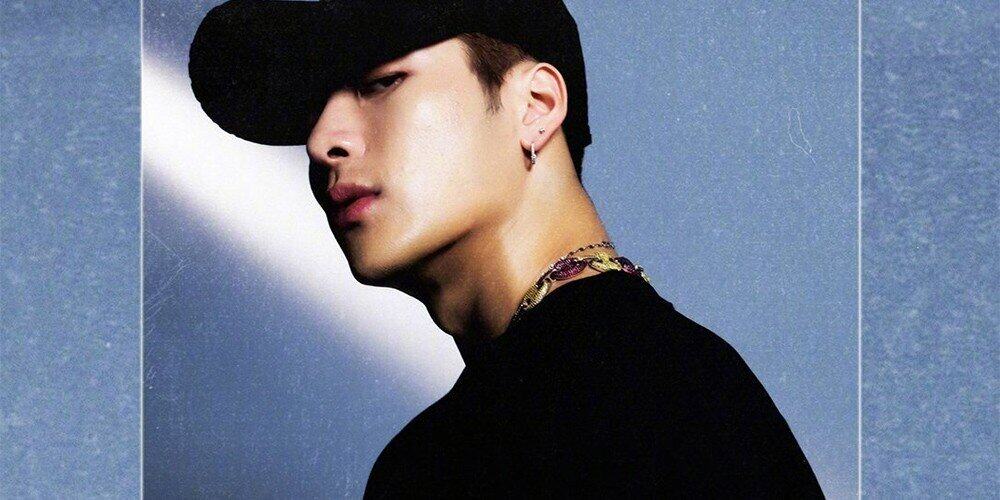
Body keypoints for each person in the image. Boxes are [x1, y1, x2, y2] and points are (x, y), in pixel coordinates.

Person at [189, 0, 825, 497]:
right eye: (314, 110)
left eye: (381, 82)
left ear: (536, 106)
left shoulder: (635, 401)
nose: (321, 140)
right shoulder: (665, 383)